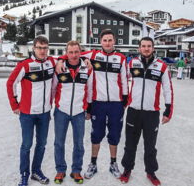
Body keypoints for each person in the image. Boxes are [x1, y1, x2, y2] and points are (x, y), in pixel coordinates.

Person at [56, 29, 129, 179]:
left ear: (114, 41)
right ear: (100, 42)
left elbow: (124, 80)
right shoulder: (93, 55)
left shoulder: (121, 58)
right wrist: (60, 60)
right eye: (105, 40)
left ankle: (113, 163)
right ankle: (93, 163)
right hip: (98, 103)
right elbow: (73, 55)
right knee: (96, 134)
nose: (107, 43)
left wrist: (125, 99)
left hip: (116, 103)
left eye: (110, 40)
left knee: (114, 134)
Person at [119, 37, 174, 186]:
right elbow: (121, 80)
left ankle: (151, 172)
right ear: (139, 48)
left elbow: (168, 89)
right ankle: (127, 170)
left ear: (153, 48)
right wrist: (123, 100)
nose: (146, 48)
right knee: (130, 144)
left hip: (152, 113)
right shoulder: (132, 63)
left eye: (149, 46)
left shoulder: (161, 66)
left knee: (150, 146)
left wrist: (168, 110)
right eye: (143, 46)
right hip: (134, 111)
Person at [6, 36, 57, 186]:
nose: (42, 51)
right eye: (39, 48)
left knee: (41, 144)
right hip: (27, 113)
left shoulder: (51, 62)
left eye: (45, 48)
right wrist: (14, 105)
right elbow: (10, 83)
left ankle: (36, 171)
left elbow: (66, 56)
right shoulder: (25, 65)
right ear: (33, 48)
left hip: (44, 113)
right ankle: (24, 174)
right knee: (26, 145)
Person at [52, 41, 93, 184]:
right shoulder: (60, 68)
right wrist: (53, 105)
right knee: (59, 143)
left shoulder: (87, 68)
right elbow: (53, 88)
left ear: (80, 52)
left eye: (76, 52)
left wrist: (89, 109)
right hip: (61, 111)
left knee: (79, 144)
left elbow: (90, 89)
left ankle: (76, 170)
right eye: (71, 52)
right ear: (66, 53)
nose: (74, 55)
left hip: (79, 112)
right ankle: (60, 170)